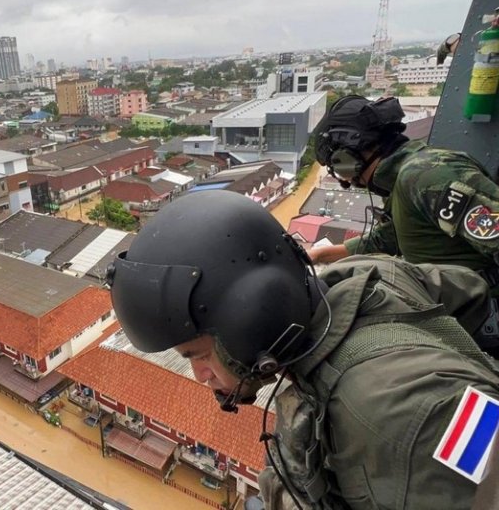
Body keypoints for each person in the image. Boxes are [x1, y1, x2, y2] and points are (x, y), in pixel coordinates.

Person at [106, 190, 499, 509]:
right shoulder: (365, 280)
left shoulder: (403, 409)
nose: (200, 376)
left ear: (253, 316)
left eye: (199, 354)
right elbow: (474, 293)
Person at [309, 94, 499, 352]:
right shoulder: (403, 180)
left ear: (346, 158)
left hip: (482, 317)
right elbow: (387, 239)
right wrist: (319, 255)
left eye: (336, 168)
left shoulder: (425, 176)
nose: (344, 180)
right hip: (464, 309)